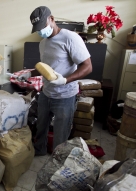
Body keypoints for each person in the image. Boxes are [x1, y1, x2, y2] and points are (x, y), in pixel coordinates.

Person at [20, 6, 92, 156]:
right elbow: (49, 68)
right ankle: (39, 151)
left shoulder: (70, 38)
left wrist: (65, 80)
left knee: (61, 133)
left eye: (43, 27)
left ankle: (57, 160)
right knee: (41, 127)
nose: (41, 32)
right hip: (46, 93)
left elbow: (87, 67)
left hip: (65, 95)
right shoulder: (43, 43)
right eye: (38, 29)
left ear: (51, 19)